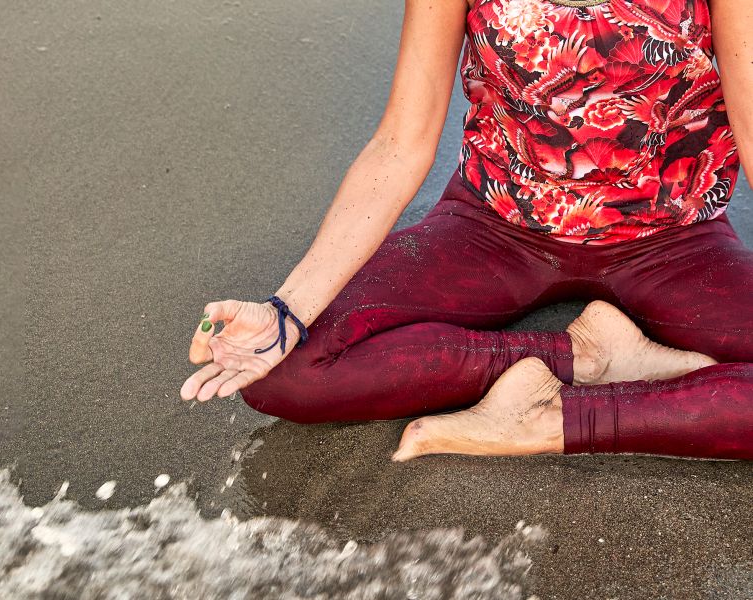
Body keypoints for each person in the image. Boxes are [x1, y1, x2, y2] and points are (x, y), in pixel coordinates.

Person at [181, 0, 752, 461]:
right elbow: (400, 143)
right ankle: (581, 356)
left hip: (675, 241)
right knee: (284, 370)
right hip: (494, 230)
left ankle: (555, 420)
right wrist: (288, 311)